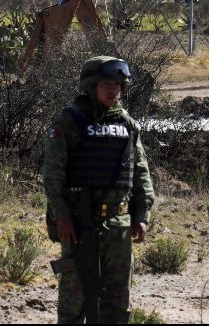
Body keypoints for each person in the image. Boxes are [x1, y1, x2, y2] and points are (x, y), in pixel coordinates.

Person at [42, 56, 155, 323]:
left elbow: (140, 172)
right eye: (107, 84)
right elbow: (53, 175)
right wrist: (63, 216)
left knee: (117, 301)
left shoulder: (127, 124)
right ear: (91, 86)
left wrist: (141, 215)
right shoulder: (69, 121)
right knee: (75, 300)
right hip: (80, 222)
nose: (113, 90)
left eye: (117, 85)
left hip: (119, 224)